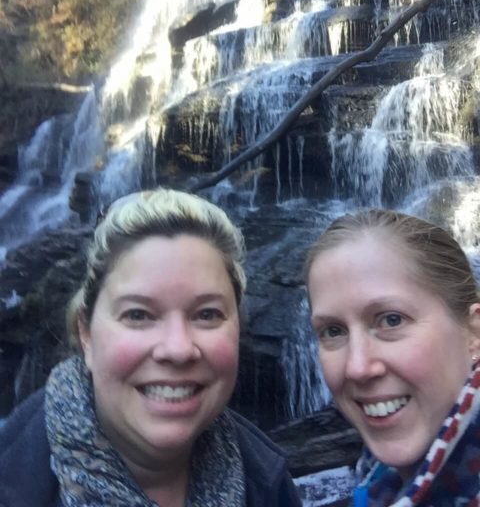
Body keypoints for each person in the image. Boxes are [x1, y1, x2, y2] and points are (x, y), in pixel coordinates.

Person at [0, 188, 301, 507]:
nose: (177, 349)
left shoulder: (269, 485)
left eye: (207, 314)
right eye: (138, 315)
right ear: (86, 334)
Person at [305, 209, 480, 506]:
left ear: (473, 333)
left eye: (391, 320)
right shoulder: (374, 487)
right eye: (333, 331)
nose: (357, 368)